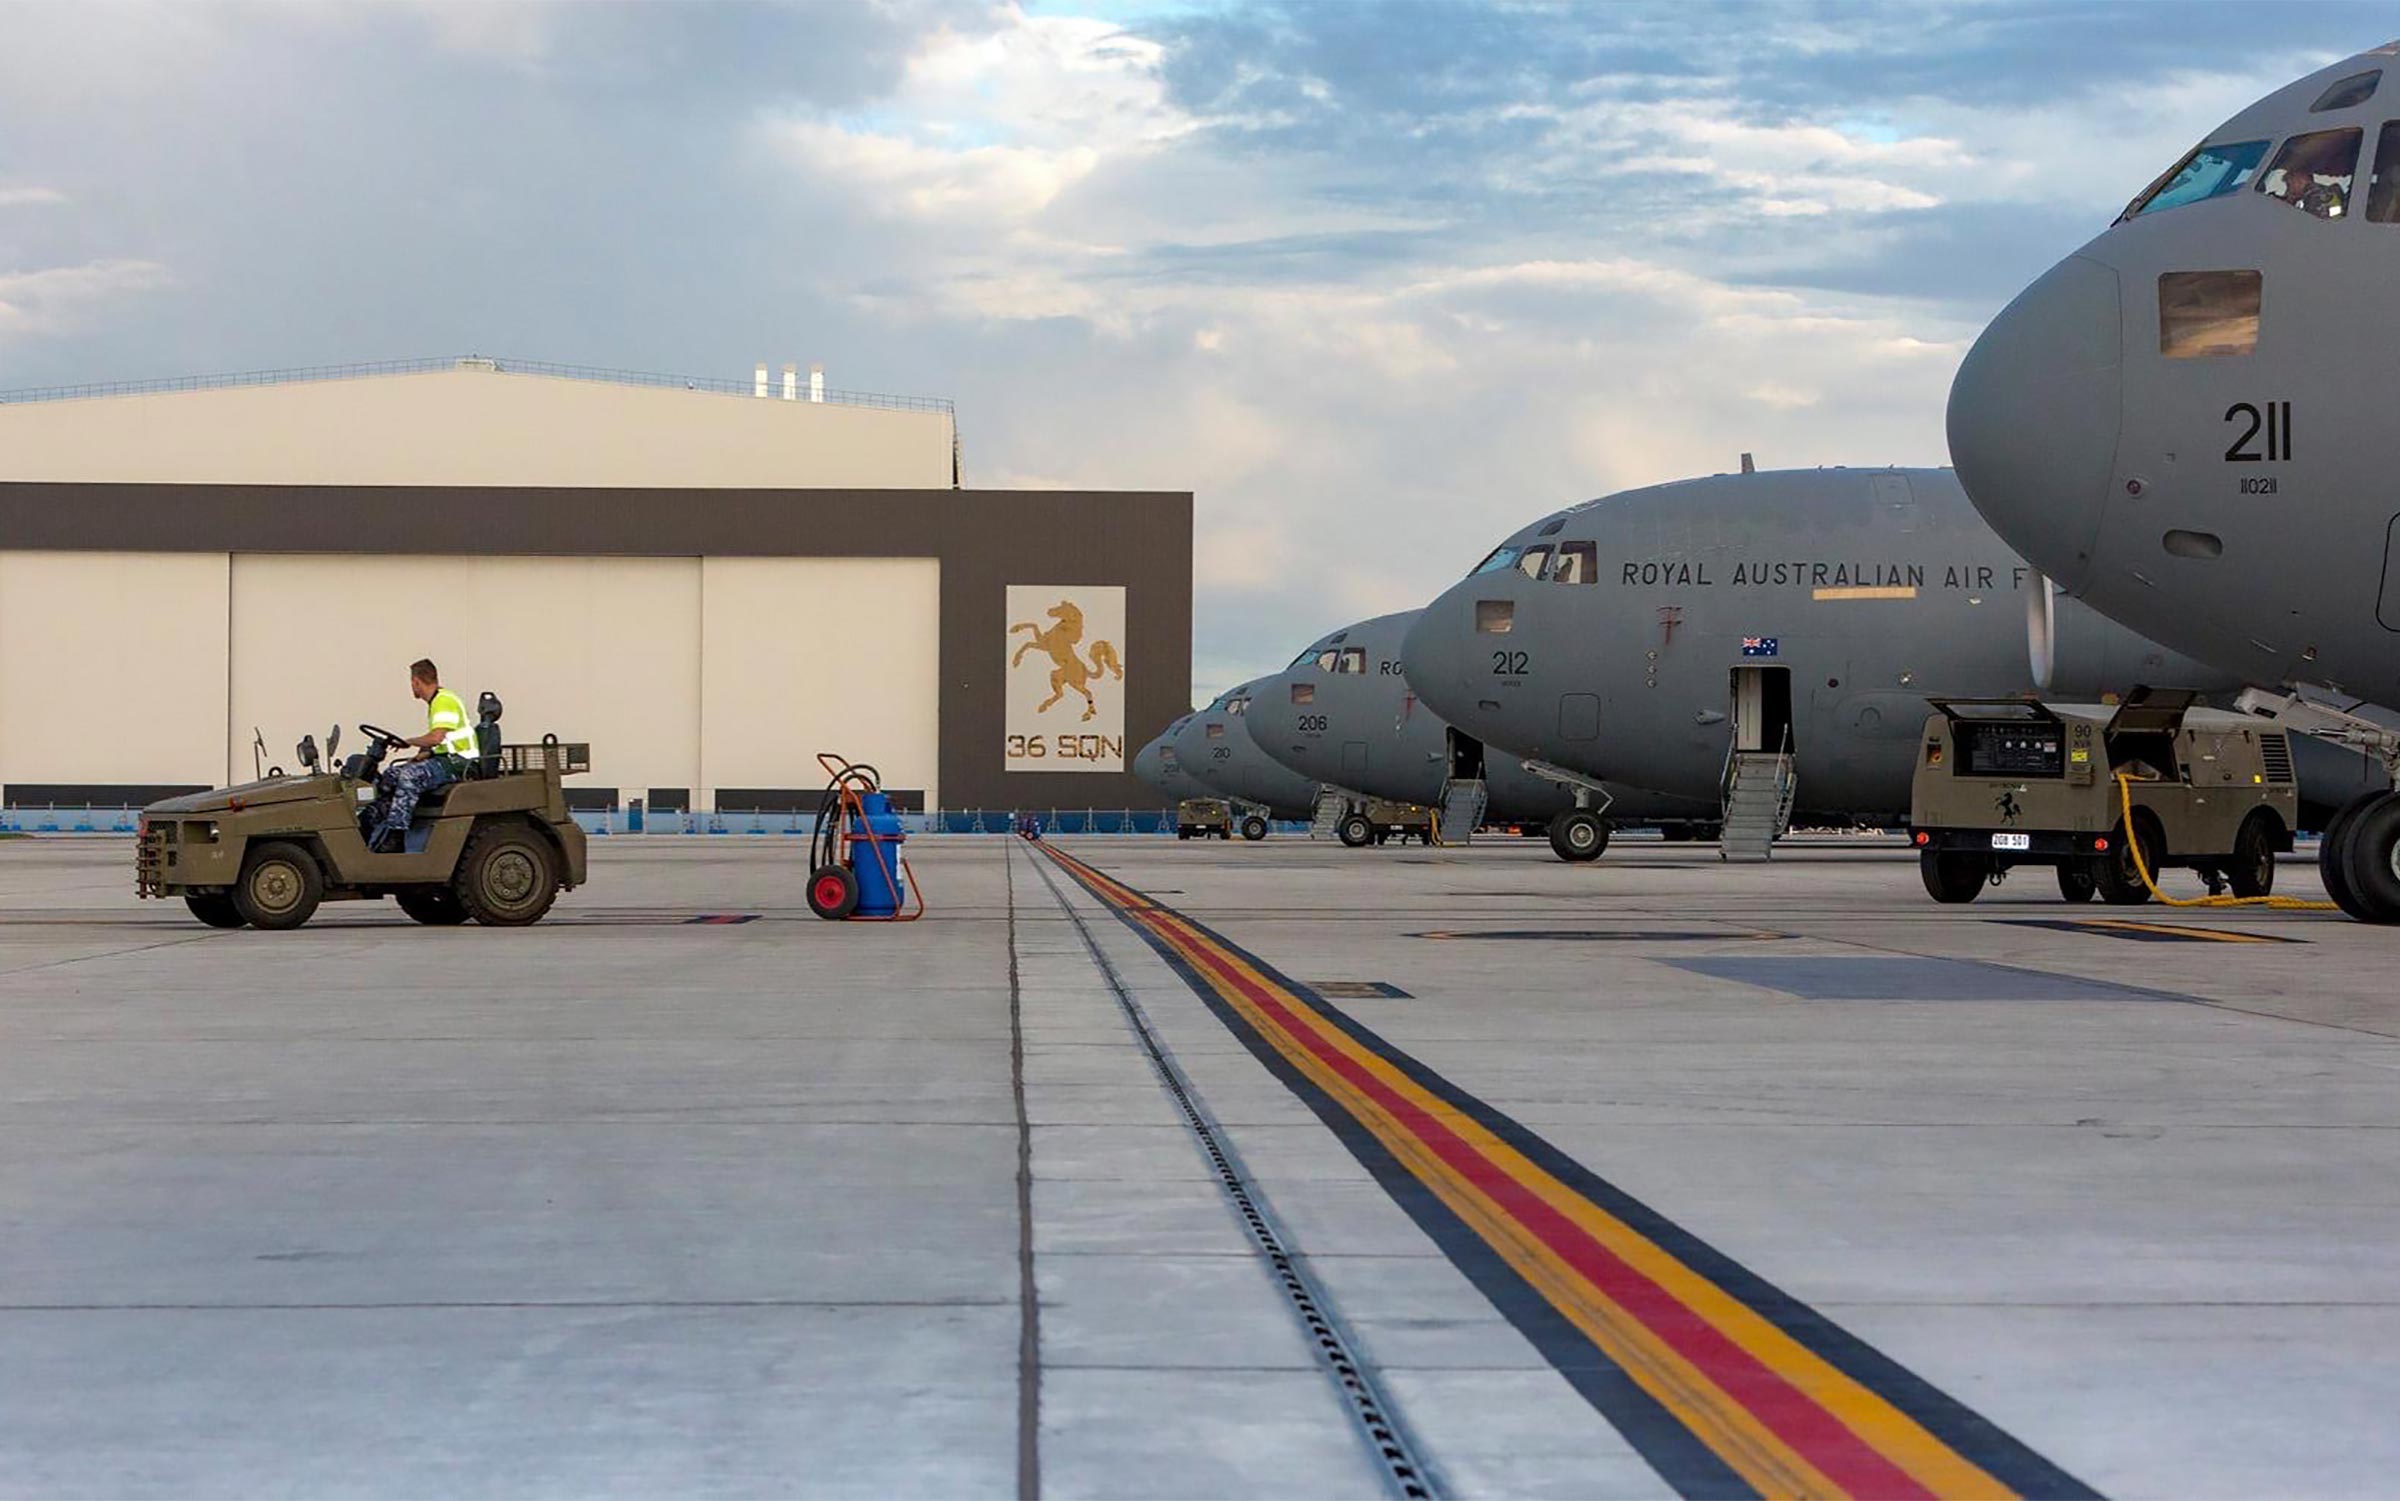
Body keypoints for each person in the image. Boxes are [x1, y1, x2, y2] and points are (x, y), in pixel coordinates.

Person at [370, 658, 477, 852]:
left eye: (412, 683)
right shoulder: (437, 701)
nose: (412, 687)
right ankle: (378, 822)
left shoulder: (444, 701)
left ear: (416, 682)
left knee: (410, 775)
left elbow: (436, 738)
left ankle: (396, 835)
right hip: (444, 759)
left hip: (459, 763)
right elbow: (442, 741)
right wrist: (421, 755)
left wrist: (409, 742)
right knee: (391, 775)